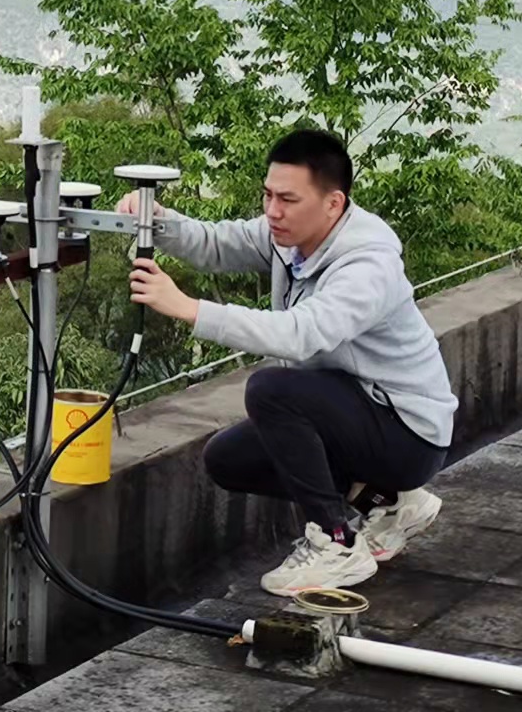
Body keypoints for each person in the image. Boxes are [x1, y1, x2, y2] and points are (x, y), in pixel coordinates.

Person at [118, 128, 456, 596]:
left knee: (271, 390)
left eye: (288, 200)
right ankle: (392, 502)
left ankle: (337, 547)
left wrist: (188, 308)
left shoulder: (367, 265)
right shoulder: (289, 237)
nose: (273, 211)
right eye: (268, 195)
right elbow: (218, 244)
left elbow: (301, 334)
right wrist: (157, 222)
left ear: (333, 204)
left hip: (408, 432)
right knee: (228, 459)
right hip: (358, 413)